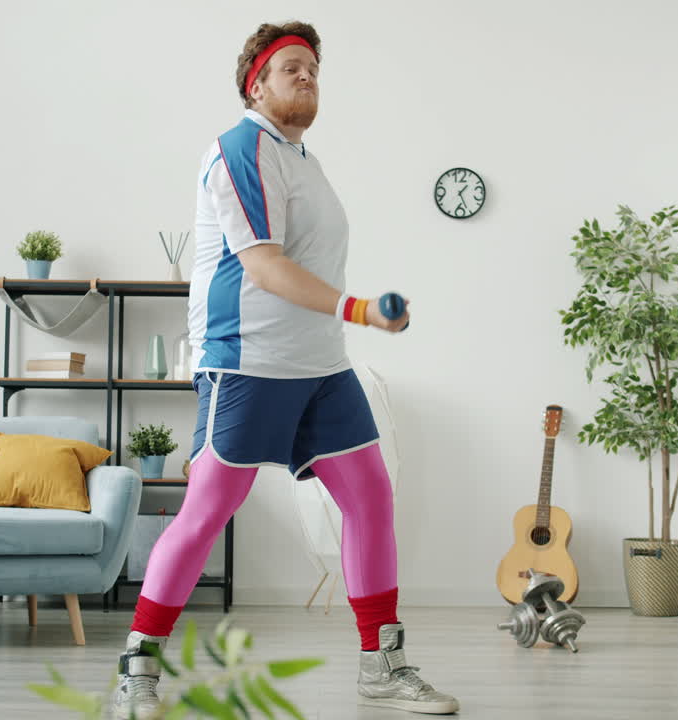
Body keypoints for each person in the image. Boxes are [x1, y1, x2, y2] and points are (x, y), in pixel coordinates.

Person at [110, 20, 459, 719]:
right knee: (210, 510)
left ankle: (379, 664)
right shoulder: (240, 148)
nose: (307, 77)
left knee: (371, 498)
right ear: (256, 83)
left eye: (314, 70)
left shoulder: (303, 158)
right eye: (291, 67)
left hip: (320, 366)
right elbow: (265, 267)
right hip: (247, 361)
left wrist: (345, 323)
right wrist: (359, 310)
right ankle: (137, 667)